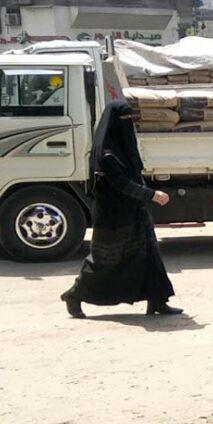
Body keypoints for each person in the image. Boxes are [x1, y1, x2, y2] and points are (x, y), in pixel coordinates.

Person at [61, 102, 182, 319]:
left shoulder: (124, 149)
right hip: (114, 217)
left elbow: (135, 175)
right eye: (125, 120)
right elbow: (121, 184)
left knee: (149, 256)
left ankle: (158, 300)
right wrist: (150, 195)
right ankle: (75, 295)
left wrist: (144, 197)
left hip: (135, 211)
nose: (129, 125)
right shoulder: (107, 154)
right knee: (105, 261)